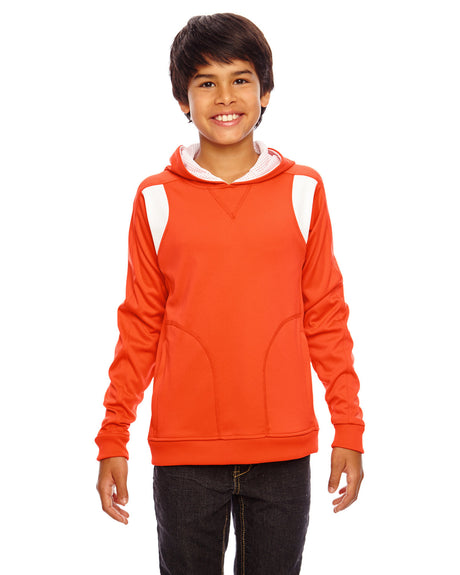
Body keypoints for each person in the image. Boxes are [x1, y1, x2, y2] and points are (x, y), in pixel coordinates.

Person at [96, 12, 364, 575]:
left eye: (240, 79)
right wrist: (114, 435)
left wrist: (349, 427)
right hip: (184, 456)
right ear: (182, 99)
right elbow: (140, 323)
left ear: (265, 92)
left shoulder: (304, 190)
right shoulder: (154, 199)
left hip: (283, 450)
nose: (225, 96)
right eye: (206, 82)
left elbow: (326, 316)